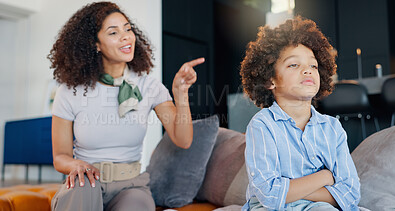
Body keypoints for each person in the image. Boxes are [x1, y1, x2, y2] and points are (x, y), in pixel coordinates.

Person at [48, 2, 204, 210]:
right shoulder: (70, 91)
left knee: (135, 205)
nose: (126, 37)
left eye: (128, 29)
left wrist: (181, 93)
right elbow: (60, 157)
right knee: (84, 188)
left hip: (131, 185)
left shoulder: (149, 86)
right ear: (95, 44)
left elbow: (183, 140)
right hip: (87, 180)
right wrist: (75, 164)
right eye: (113, 32)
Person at [240, 17, 360, 211]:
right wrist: (325, 177)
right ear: (270, 80)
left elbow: (350, 193)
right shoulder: (262, 125)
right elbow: (269, 195)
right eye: (294, 65)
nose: (307, 71)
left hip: (320, 206)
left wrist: (291, 188)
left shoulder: (332, 128)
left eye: (313, 65)